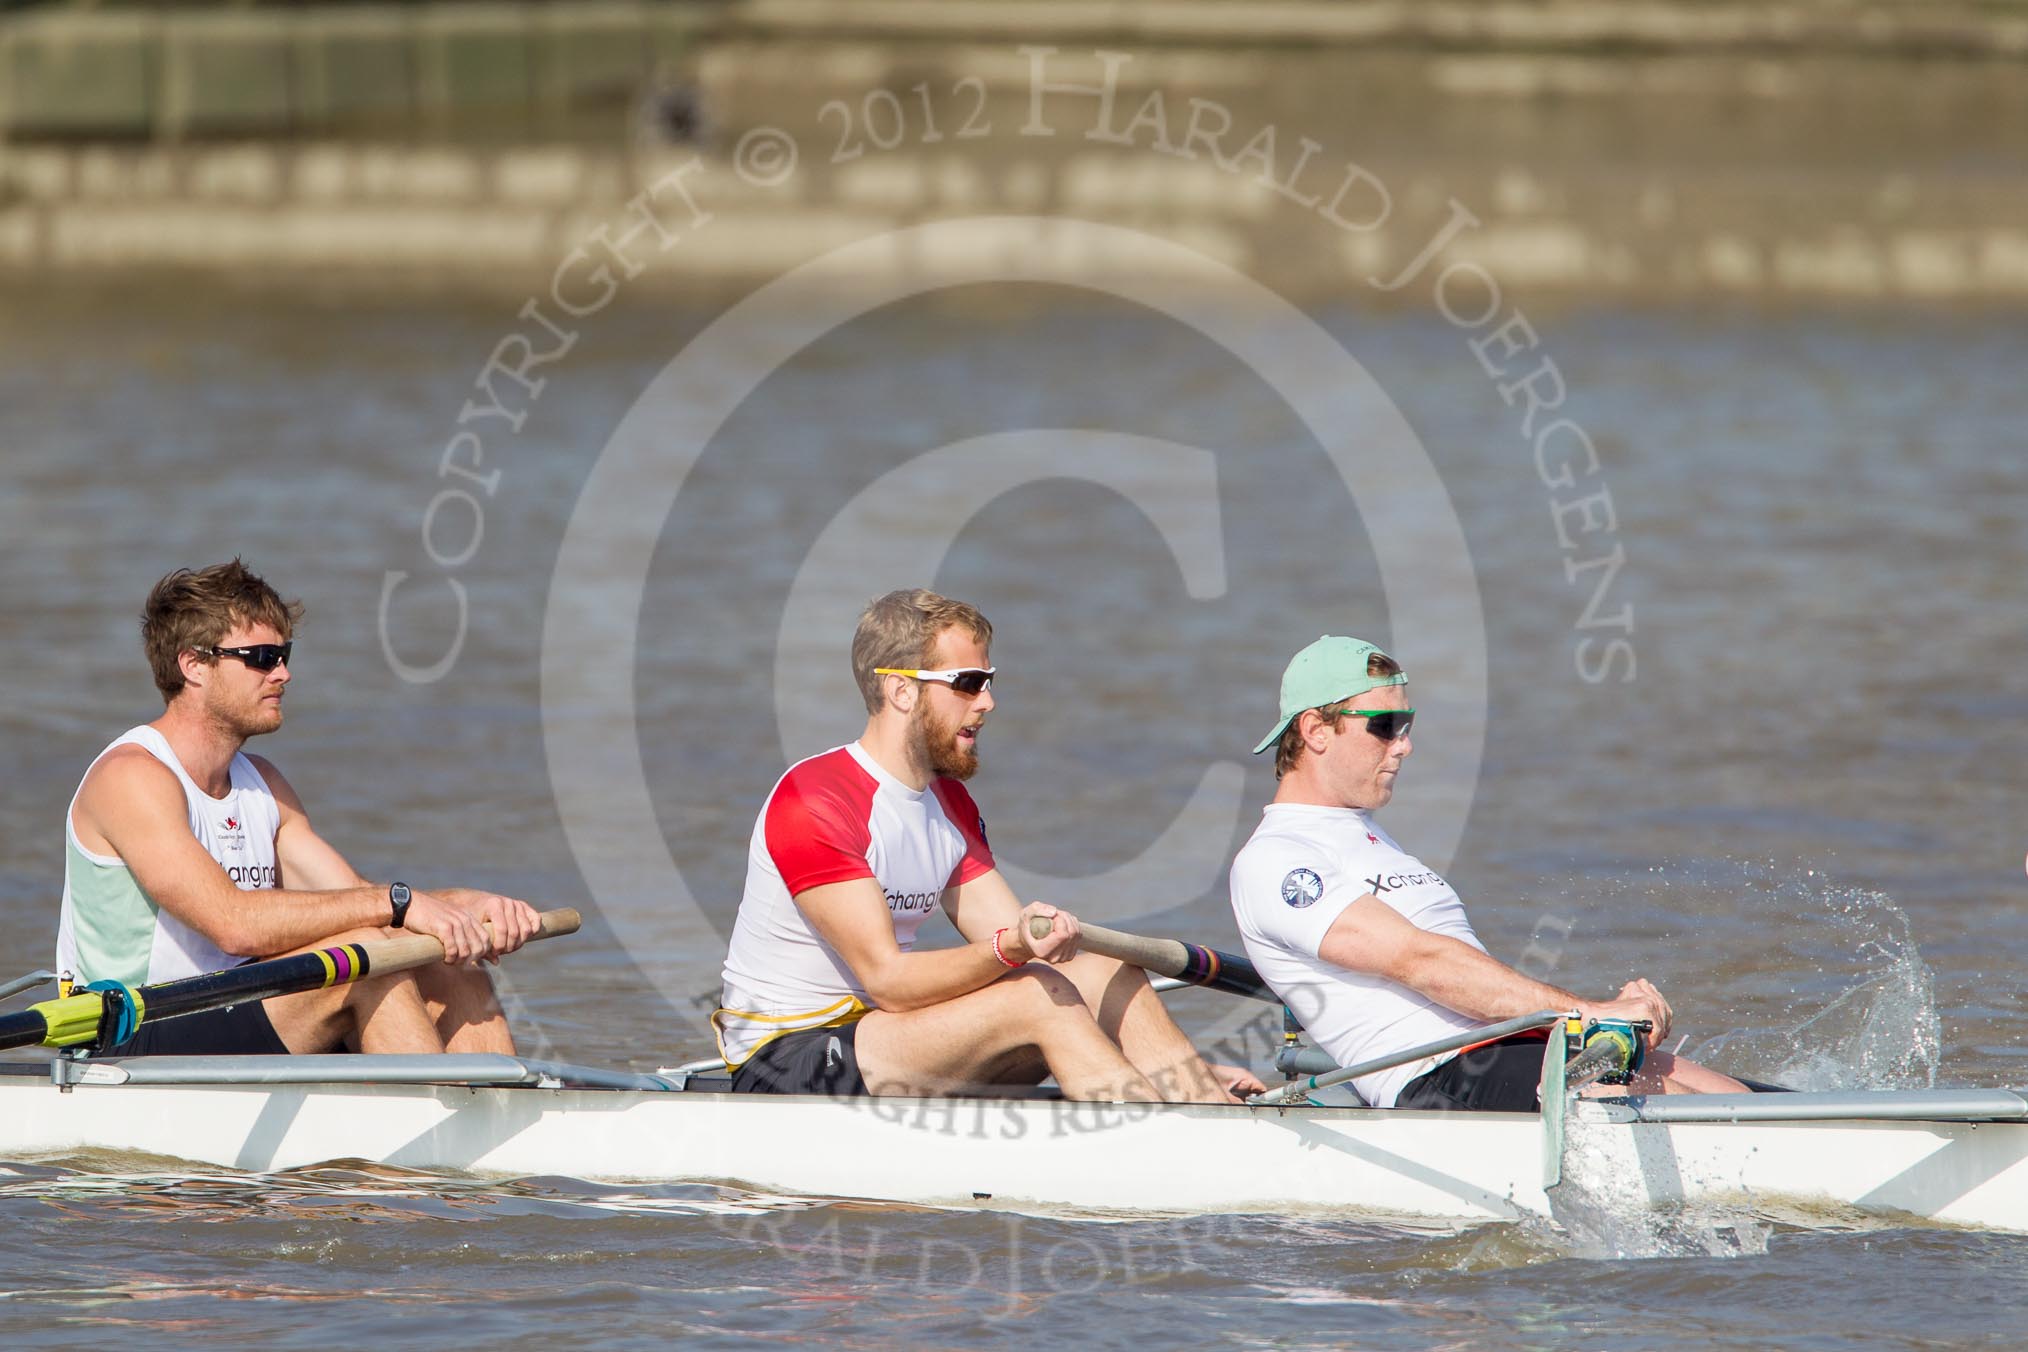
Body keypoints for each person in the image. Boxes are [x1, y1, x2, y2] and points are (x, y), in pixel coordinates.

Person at [716, 588, 1264, 1103]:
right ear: (901, 690)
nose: (988, 702)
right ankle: (1161, 1140)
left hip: (887, 1040)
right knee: (1033, 995)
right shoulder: (816, 799)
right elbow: (891, 983)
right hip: (788, 1059)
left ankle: (1197, 1101)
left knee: (1097, 971)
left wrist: (1172, 1065)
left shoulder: (948, 802)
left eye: (988, 681)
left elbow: (1015, 940)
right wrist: (1013, 947)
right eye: (968, 683)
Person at [1228, 635, 1747, 1111]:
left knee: (1736, 1097)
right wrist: (1589, 1015)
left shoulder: (1369, 837)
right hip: (1438, 1077)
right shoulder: (1276, 859)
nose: (1404, 745)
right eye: (1384, 726)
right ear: (1316, 730)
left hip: (1507, 1045)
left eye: (1406, 725)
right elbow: (1420, 961)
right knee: (1694, 1109)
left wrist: (1591, 1021)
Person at [56, 560, 542, 1057]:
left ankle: (495, 1099)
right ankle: (432, 1103)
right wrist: (402, 905)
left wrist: (458, 908)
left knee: (446, 956)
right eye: (261, 657)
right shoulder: (131, 777)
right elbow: (234, 924)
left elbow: (355, 897)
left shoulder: (264, 784)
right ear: (193, 665)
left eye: (283, 654)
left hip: (232, 1005)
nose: (283, 674)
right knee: (365, 955)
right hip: (133, 1030)